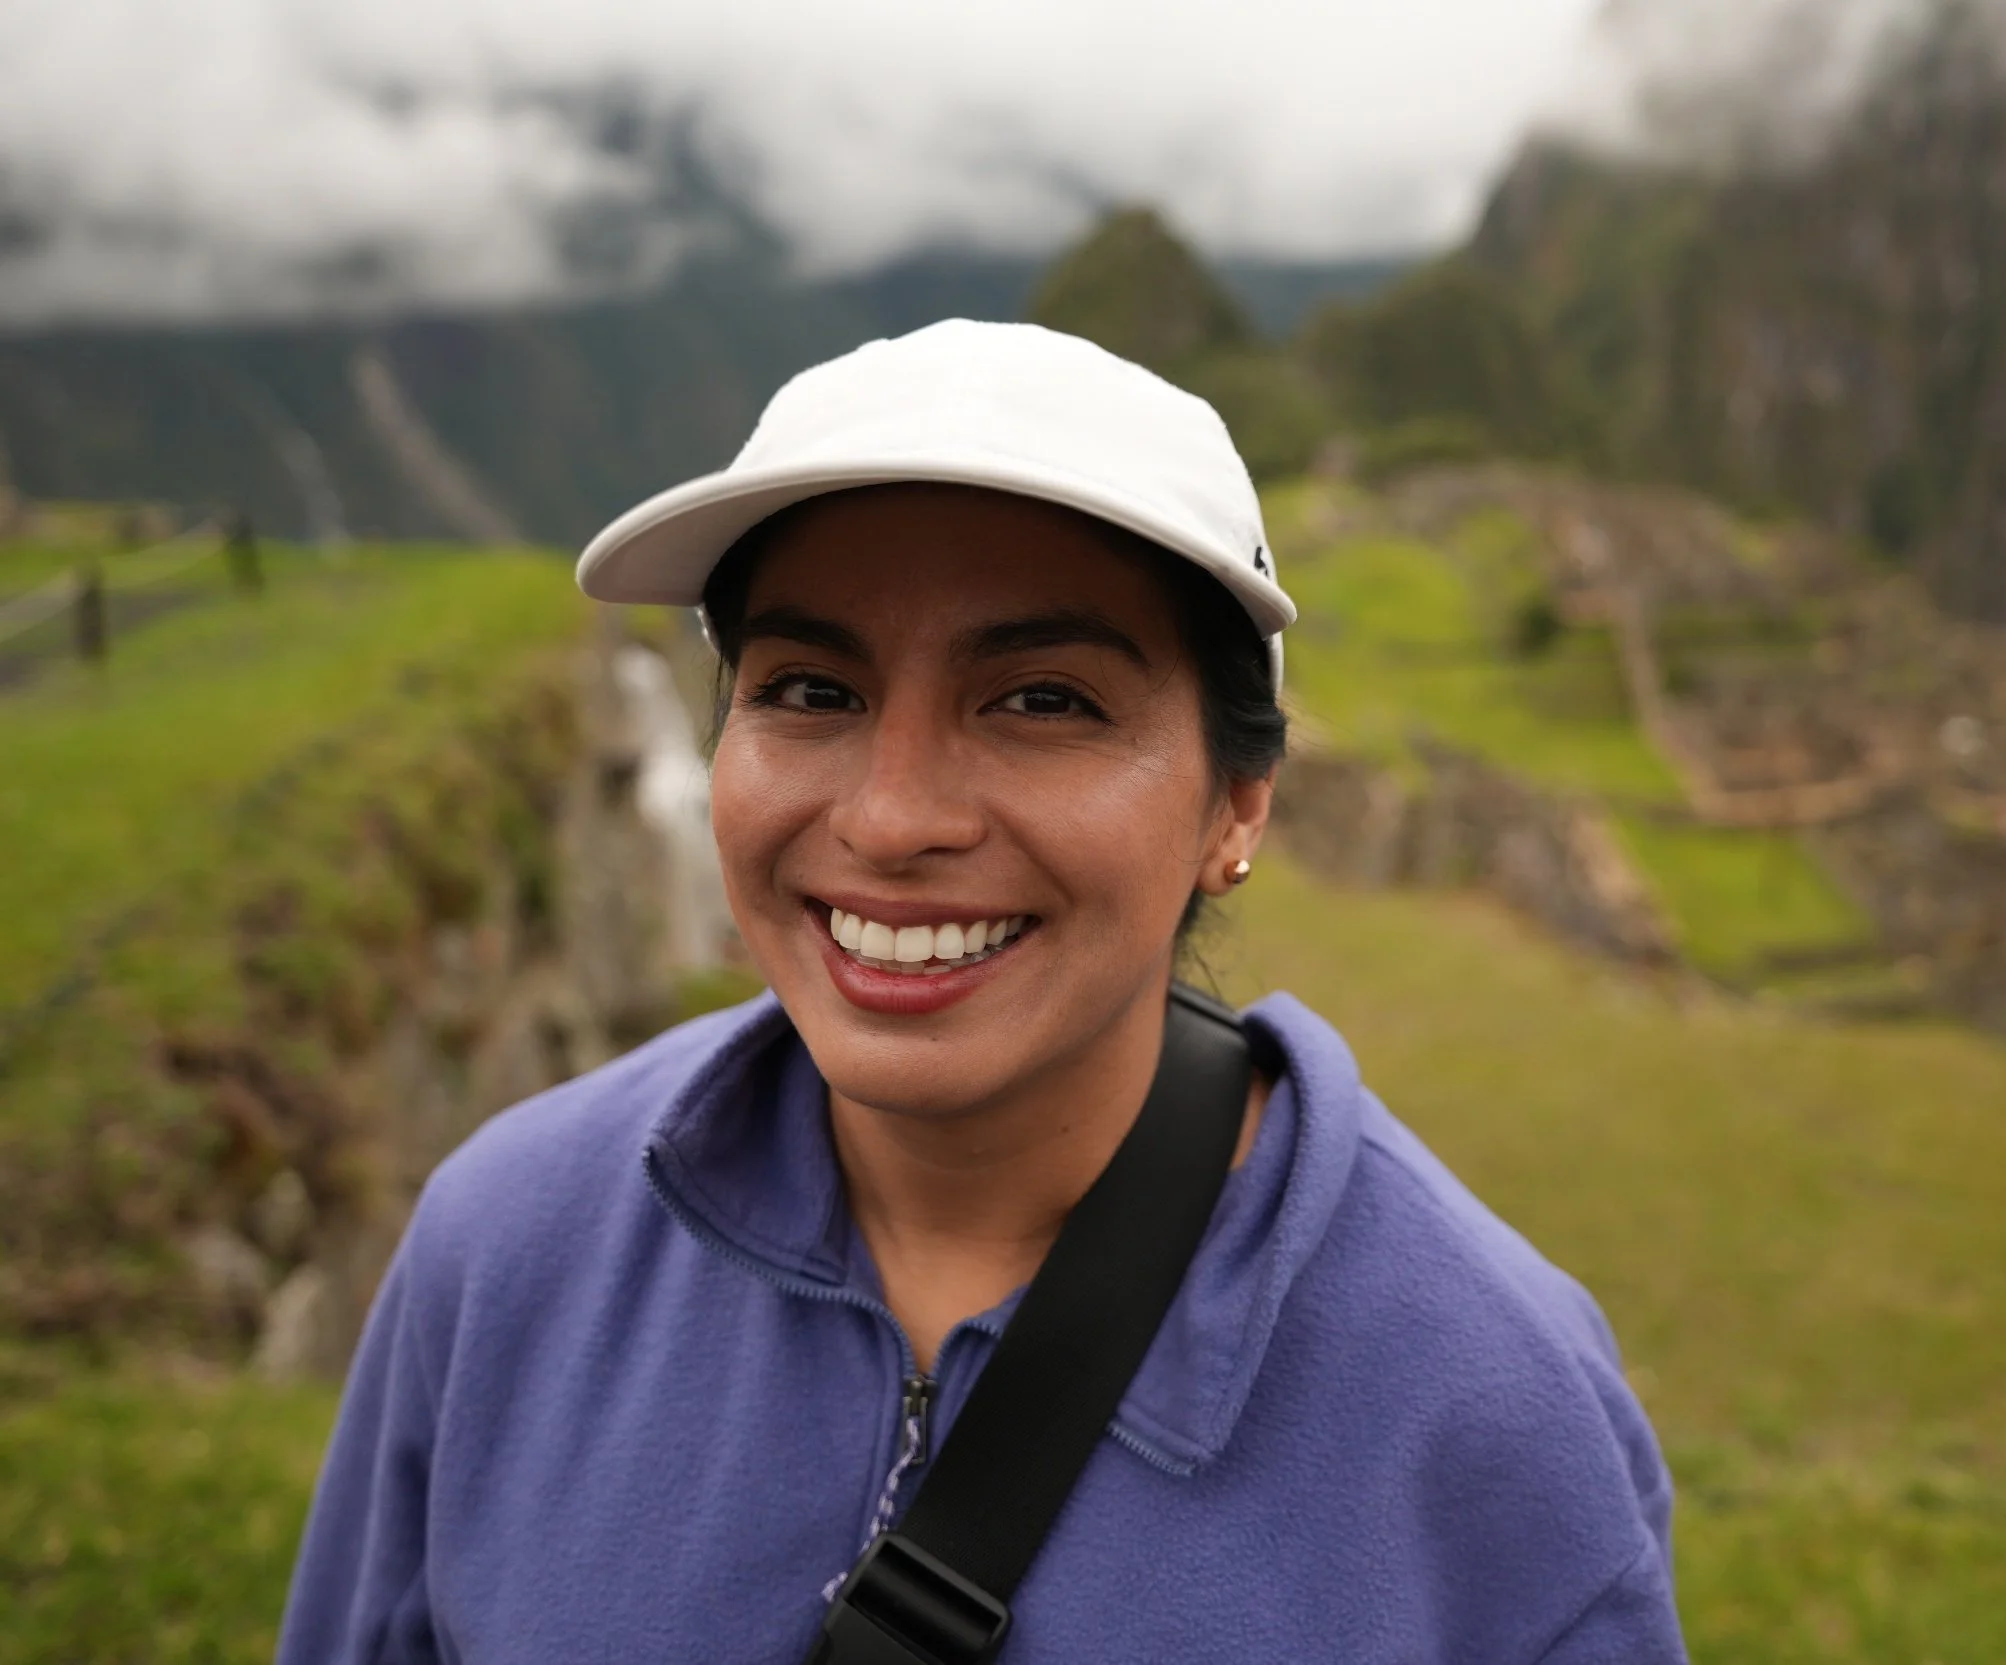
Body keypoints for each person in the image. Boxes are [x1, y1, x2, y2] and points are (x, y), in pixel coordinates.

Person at [276, 320, 1687, 1664]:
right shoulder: (509, 1251)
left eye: (1044, 701)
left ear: (1236, 803)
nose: (892, 819)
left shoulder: (1491, 1416)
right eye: (811, 690)